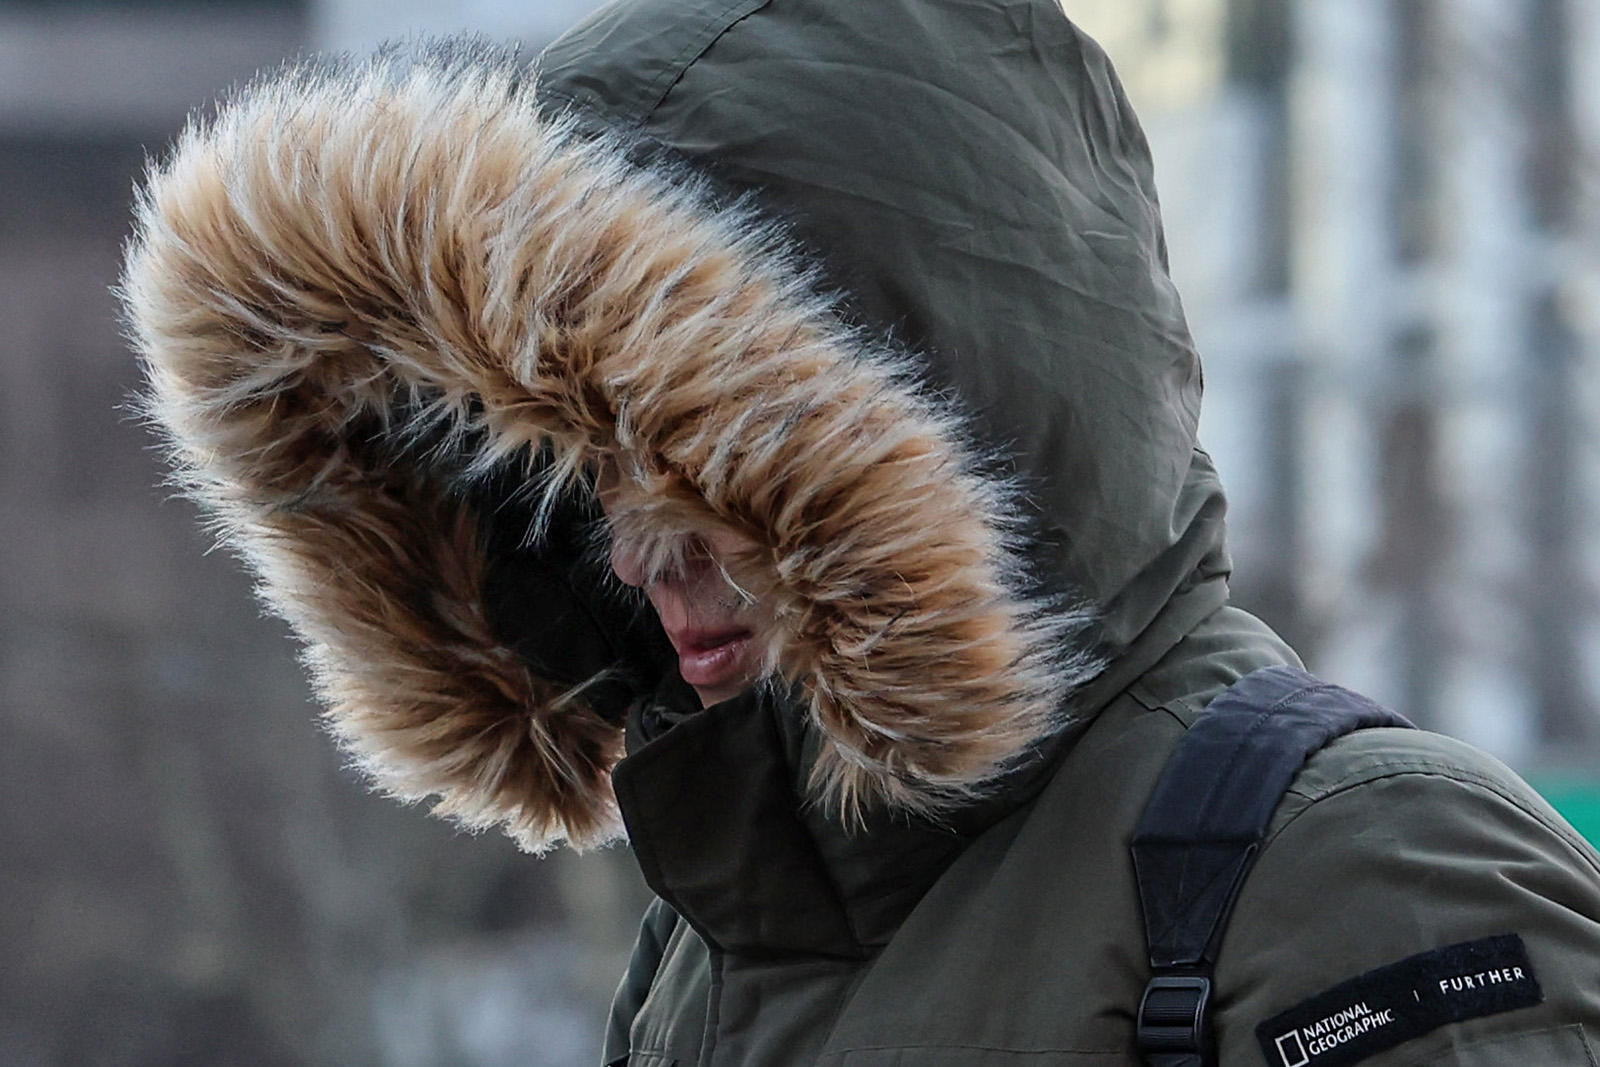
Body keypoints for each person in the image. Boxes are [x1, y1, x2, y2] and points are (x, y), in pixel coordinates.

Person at [121, 1, 1600, 1064]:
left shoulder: (1371, 873)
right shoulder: (720, 932)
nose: (637, 562)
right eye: (595, 489)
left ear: (936, 447)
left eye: (711, 486)